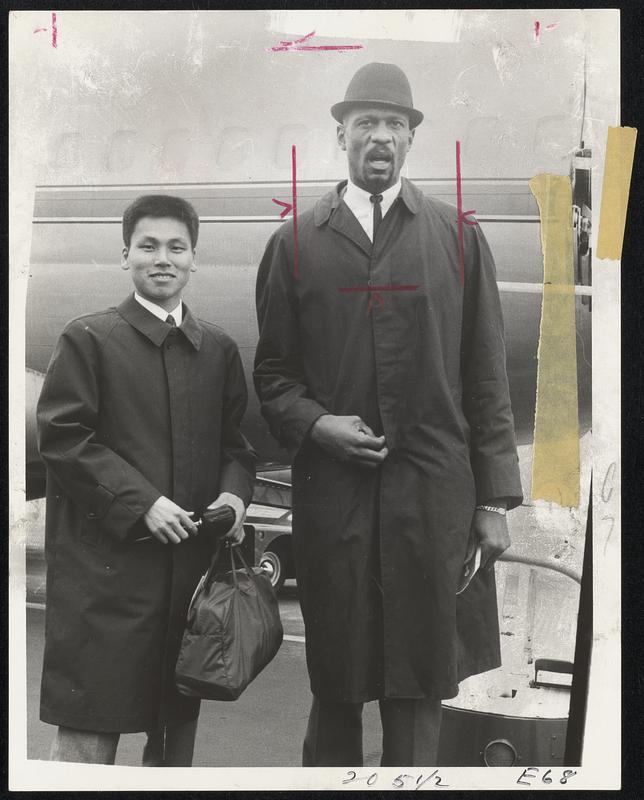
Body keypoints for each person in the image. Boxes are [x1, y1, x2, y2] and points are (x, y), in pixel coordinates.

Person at [254, 62, 523, 767]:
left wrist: (494, 499)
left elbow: (487, 378)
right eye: (366, 123)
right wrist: (318, 425)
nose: (380, 137)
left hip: (432, 498)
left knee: (419, 682)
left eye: (395, 125)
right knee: (337, 683)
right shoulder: (295, 245)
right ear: (340, 134)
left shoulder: (458, 239)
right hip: (334, 498)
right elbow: (273, 377)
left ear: (411, 140)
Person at [37, 194, 257, 766]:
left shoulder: (218, 350)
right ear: (126, 256)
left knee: (172, 750)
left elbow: (235, 446)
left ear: (193, 260)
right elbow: (63, 436)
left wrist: (234, 496)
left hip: (187, 588)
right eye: (149, 246)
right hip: (102, 587)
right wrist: (143, 504)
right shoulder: (87, 338)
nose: (163, 258)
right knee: (88, 743)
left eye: (176, 247)